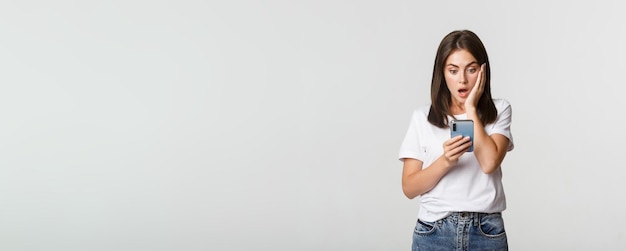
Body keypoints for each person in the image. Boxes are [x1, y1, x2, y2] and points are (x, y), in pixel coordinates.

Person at [398, 29, 514, 250]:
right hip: (434, 231)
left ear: (482, 71)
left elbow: (489, 163)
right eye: (453, 70)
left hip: (486, 231)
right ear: (442, 73)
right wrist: (446, 161)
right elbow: (409, 188)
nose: (462, 79)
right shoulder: (422, 117)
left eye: (471, 70)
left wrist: (470, 108)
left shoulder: (500, 110)